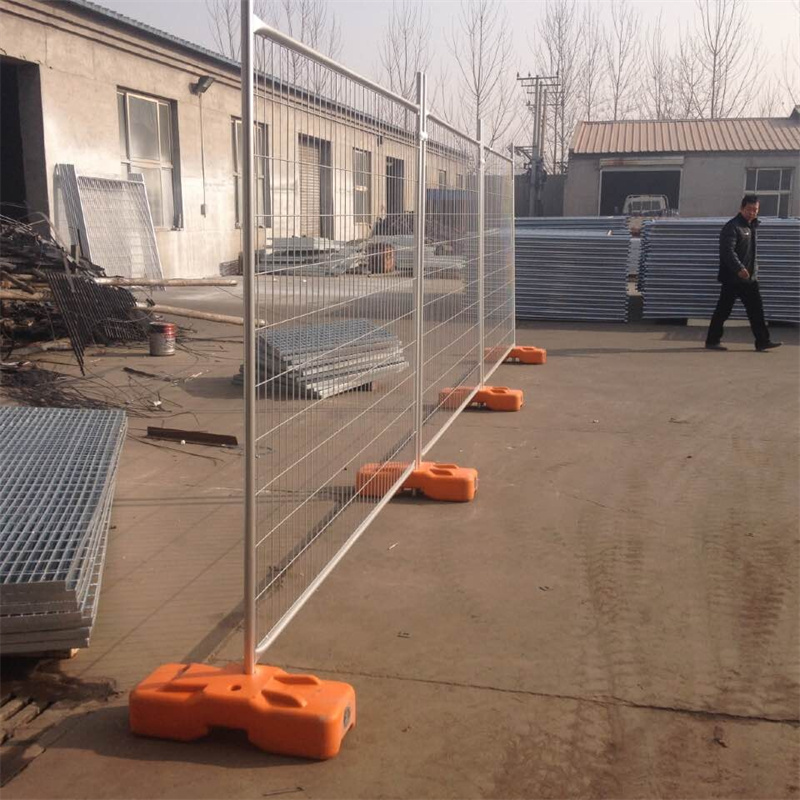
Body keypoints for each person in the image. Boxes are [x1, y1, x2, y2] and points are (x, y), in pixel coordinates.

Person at [705, 195, 781, 352]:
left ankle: (762, 341)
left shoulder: (751, 226)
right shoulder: (732, 227)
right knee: (723, 311)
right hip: (733, 278)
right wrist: (739, 268)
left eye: (755, 210)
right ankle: (712, 340)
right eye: (749, 209)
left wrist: (753, 271)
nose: (752, 212)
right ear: (741, 208)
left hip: (749, 279)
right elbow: (727, 251)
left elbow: (750, 253)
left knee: (756, 310)